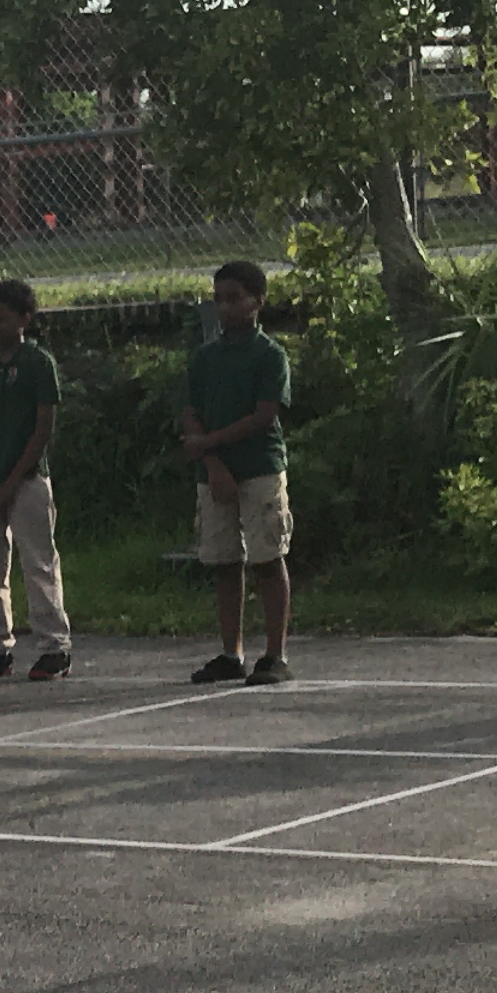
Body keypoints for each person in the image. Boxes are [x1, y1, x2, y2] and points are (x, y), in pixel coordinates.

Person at [177, 259, 294, 684]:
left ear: (257, 301)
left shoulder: (269, 355)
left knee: (267, 558)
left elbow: (264, 414)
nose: (226, 308)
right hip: (215, 473)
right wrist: (210, 460)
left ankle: (276, 654)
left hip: (259, 467)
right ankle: (232, 652)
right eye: (219, 300)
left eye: (235, 299)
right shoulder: (205, 358)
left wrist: (209, 442)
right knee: (224, 561)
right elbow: (189, 412)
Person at [0, 278, 70, 681]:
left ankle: (54, 646)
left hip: (27, 480)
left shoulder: (38, 363)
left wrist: (12, 480)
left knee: (38, 564)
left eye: (1, 319)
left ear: (25, 318)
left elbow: (42, 427)